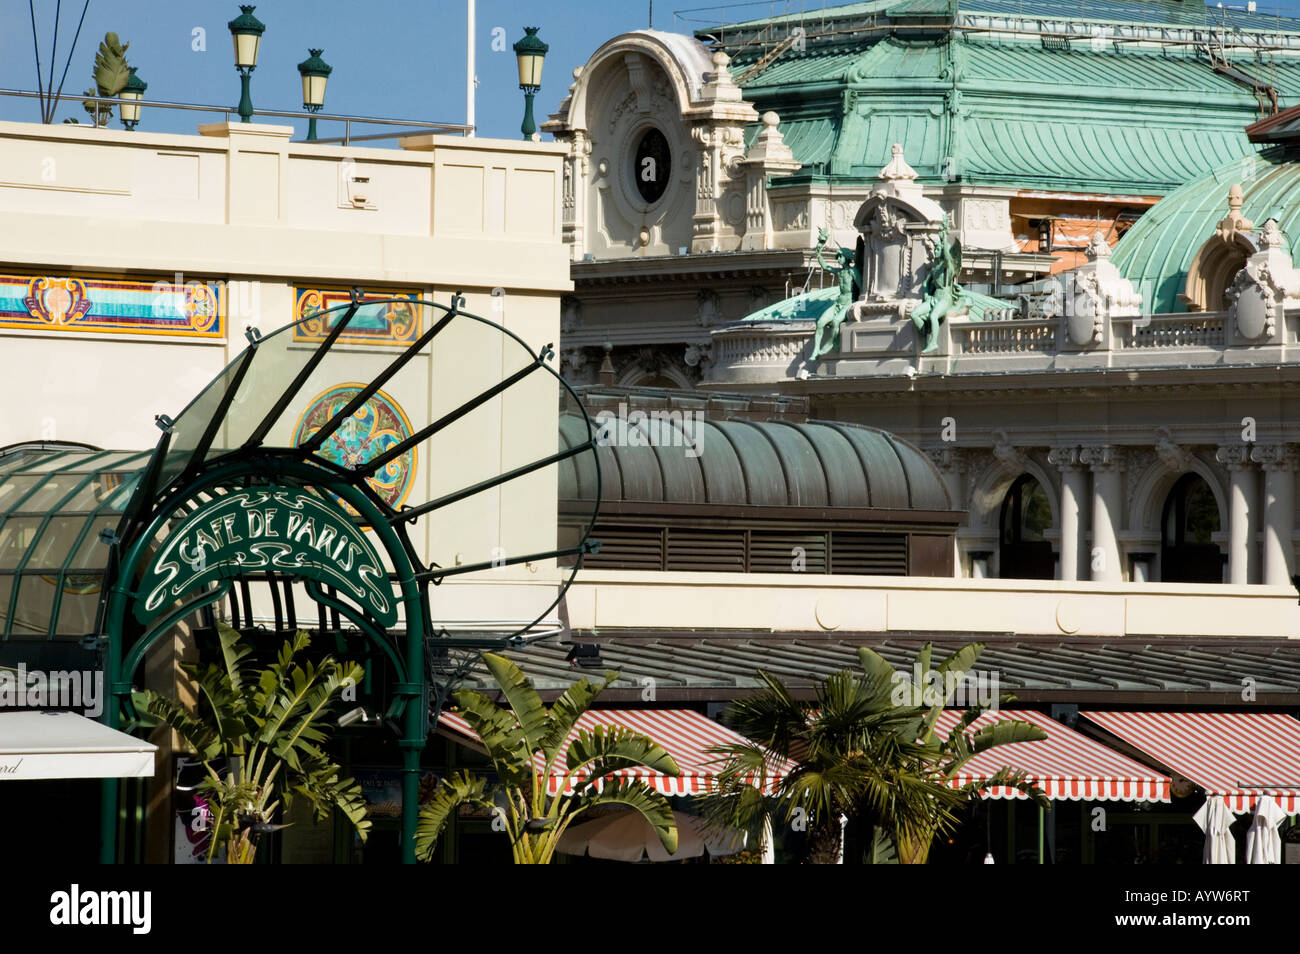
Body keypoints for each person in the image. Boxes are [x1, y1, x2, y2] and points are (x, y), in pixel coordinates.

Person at [811, 227, 861, 359]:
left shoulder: (853, 272)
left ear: (846, 257)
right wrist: (819, 249)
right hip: (839, 302)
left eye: (840, 256)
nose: (838, 259)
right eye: (837, 256)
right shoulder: (840, 272)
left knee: (836, 322)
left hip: (848, 302)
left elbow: (862, 287)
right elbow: (825, 266)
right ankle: (816, 349)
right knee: (821, 323)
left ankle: (831, 343)